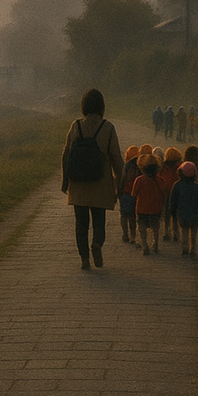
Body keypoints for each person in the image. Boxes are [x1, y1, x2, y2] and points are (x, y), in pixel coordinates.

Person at [61, 88, 125, 269]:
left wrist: (65, 183)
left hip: (78, 185)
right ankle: (97, 243)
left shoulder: (76, 126)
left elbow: (66, 155)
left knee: (80, 224)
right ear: (102, 106)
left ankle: (84, 260)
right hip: (101, 184)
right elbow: (117, 159)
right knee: (99, 221)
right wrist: (120, 184)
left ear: (83, 106)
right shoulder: (108, 128)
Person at [131, 153, 165, 255]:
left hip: (141, 208)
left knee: (142, 227)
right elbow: (164, 194)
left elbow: (134, 194)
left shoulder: (139, 180)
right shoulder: (160, 180)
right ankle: (155, 242)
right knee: (155, 227)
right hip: (155, 208)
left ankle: (144, 244)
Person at [170, 161, 198, 256]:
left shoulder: (177, 185)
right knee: (193, 231)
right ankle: (192, 247)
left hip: (182, 212)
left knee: (184, 230)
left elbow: (173, 199)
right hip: (195, 212)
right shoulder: (197, 187)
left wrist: (172, 210)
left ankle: (184, 246)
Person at [158, 145, 183, 242]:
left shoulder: (162, 167)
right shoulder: (180, 167)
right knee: (175, 214)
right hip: (177, 193)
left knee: (166, 213)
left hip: (166, 192)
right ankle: (176, 233)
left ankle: (166, 232)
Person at [118, 145, 140, 244]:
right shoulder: (140, 166)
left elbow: (122, 179)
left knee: (123, 215)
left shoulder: (127, 166)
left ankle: (125, 234)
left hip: (126, 192)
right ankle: (133, 236)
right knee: (132, 216)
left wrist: (118, 190)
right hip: (136, 194)